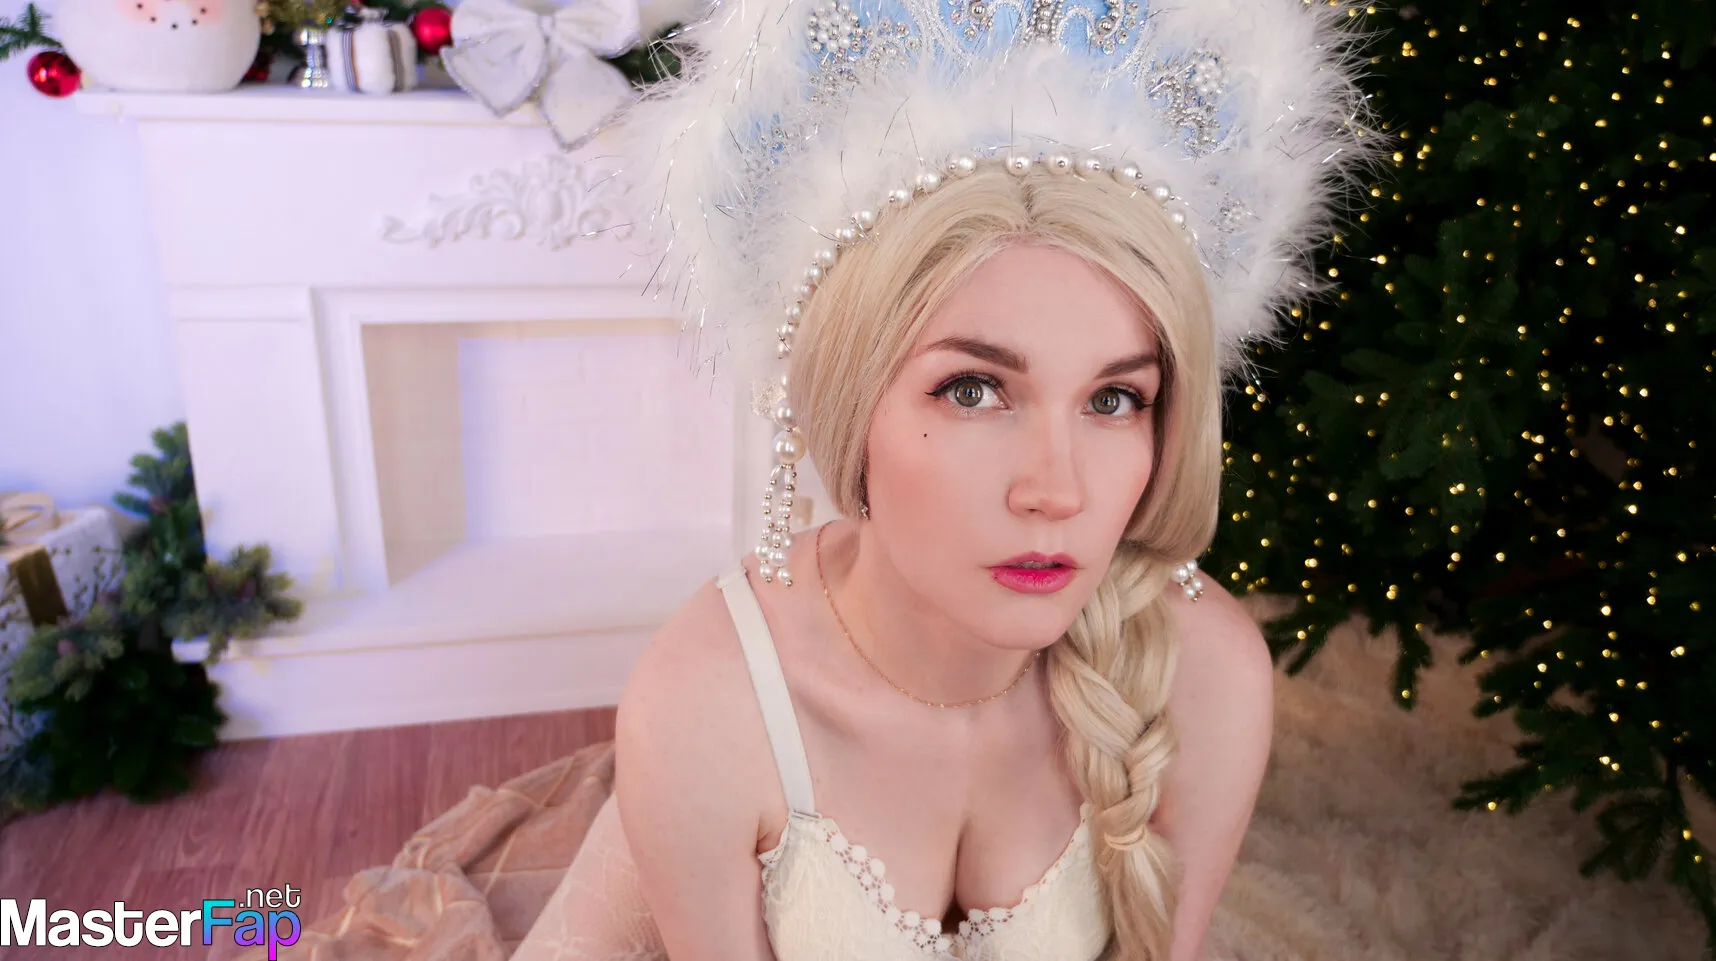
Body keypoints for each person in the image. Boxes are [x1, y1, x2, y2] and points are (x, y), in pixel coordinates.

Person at [512, 1, 1377, 959]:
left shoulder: (1207, 672)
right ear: (850, 404)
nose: (1056, 491)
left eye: (1114, 399)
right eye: (973, 390)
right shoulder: (712, 706)